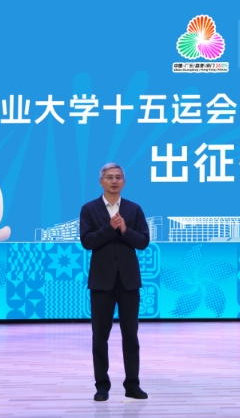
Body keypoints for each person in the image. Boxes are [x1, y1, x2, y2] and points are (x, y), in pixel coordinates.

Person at [79, 163, 150, 402]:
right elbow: (87, 242)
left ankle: (132, 385)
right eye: (109, 177)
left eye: (118, 177)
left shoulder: (134, 209)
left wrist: (125, 230)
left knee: (131, 336)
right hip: (101, 282)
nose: (114, 181)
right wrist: (110, 229)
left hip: (129, 282)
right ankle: (102, 386)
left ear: (124, 182)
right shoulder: (89, 209)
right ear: (101, 181)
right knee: (100, 337)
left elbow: (143, 242)